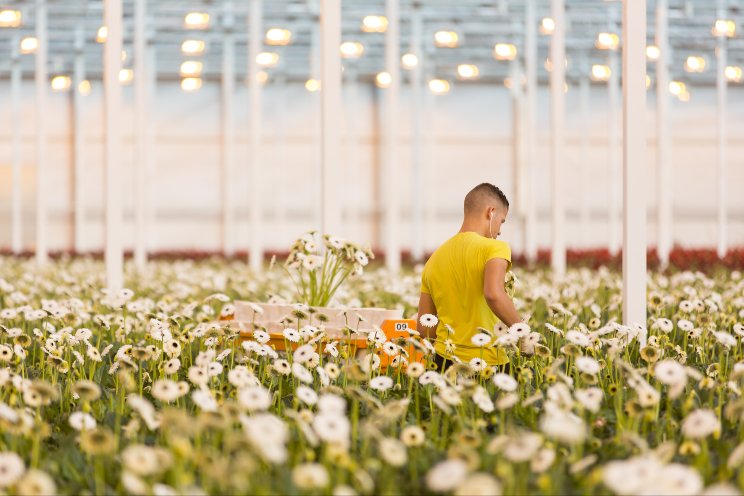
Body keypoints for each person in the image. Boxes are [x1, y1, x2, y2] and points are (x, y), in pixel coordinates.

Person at [417, 183, 523, 372]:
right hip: (488, 363)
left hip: (443, 365)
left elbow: (425, 328)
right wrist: (523, 333)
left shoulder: (434, 259)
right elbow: (494, 294)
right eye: (502, 221)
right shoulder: (495, 248)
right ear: (491, 212)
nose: (499, 231)